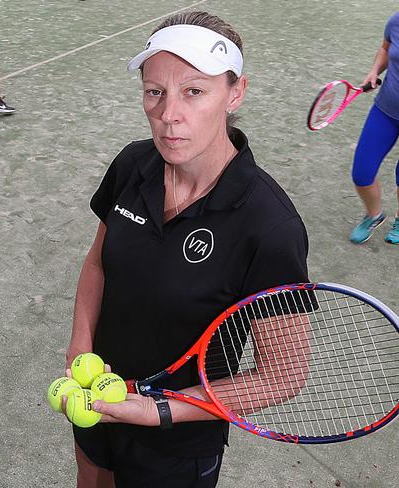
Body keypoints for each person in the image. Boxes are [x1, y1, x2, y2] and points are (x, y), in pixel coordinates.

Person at [65, 11, 309, 488]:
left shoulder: (270, 225)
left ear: (234, 93)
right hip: (99, 392)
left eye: (194, 91)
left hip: (178, 440)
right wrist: (81, 342)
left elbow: (283, 376)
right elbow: (98, 262)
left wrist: (161, 410)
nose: (168, 115)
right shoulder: (133, 163)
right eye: (155, 92)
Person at [348, 12, 399, 245]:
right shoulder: (396, 21)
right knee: (362, 172)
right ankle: (374, 214)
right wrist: (374, 71)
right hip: (386, 110)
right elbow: (386, 49)